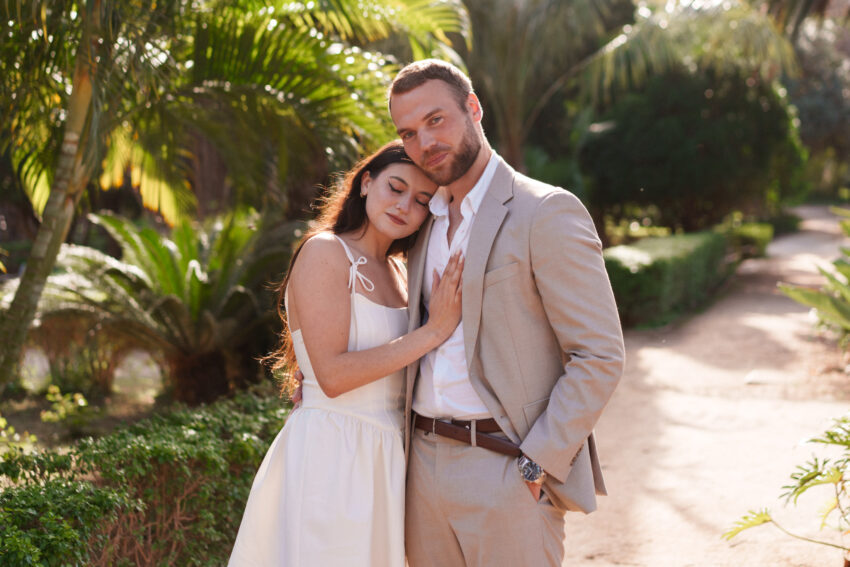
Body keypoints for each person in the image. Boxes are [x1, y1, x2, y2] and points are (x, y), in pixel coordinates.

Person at [388, 60, 625, 566]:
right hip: (421, 469)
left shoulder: (545, 212)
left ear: (473, 108)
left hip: (504, 467)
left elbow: (599, 354)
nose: (424, 143)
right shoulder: (419, 224)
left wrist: (535, 462)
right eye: (407, 133)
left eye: (436, 120)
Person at [228, 140, 464, 567]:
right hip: (333, 452)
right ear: (366, 182)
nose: (404, 205)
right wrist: (434, 331)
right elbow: (333, 377)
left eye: (421, 200)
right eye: (395, 187)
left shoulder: (403, 273)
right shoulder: (325, 251)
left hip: (389, 456)